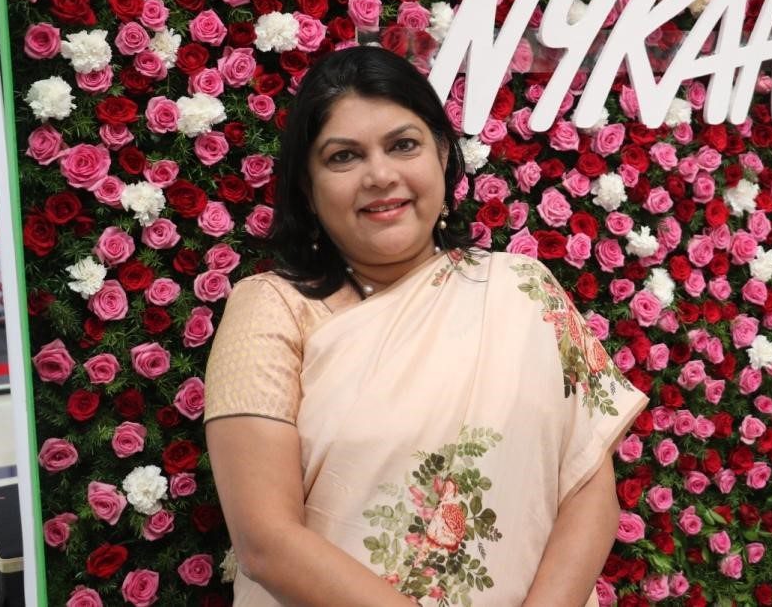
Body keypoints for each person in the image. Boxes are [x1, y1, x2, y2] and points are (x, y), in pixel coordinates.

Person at [204, 46, 648, 607]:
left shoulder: (522, 290)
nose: (380, 175)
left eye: (403, 145)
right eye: (344, 156)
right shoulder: (271, 310)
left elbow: (587, 486)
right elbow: (266, 541)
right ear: (308, 191)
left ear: (441, 154)